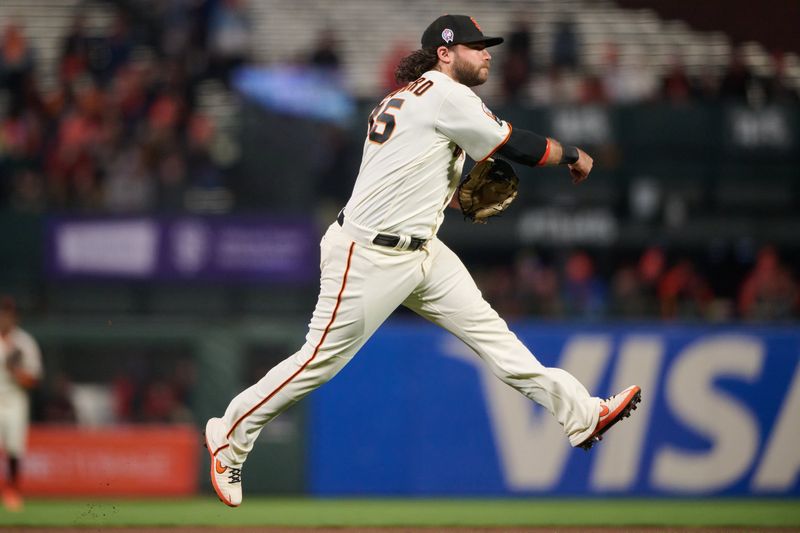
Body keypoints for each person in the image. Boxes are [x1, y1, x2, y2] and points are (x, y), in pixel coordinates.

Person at [204, 15, 641, 507]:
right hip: (369, 254)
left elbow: (410, 173)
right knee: (317, 364)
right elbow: (514, 144)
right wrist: (572, 155)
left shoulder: (415, 97)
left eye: (487, 46)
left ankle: (582, 414)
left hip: (421, 249)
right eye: (477, 47)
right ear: (445, 53)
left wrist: (451, 198)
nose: (488, 54)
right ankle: (229, 432)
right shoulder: (446, 95)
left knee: (497, 340)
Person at [0, 297, 42, 511]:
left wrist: (16, 371)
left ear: (14, 317)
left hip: (15, 399)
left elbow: (34, 379)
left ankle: (12, 490)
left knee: (14, 448)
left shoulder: (24, 342)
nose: (3, 318)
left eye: (7, 313)